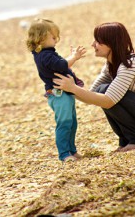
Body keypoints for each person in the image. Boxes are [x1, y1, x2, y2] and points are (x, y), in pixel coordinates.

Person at [53, 21, 135, 153]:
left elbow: (107, 101)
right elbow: (91, 95)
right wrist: (67, 86)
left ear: (111, 43)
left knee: (106, 93)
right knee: (101, 91)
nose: (93, 44)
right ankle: (127, 140)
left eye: (98, 40)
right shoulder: (113, 64)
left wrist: (73, 88)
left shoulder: (130, 64)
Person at [26, 18, 86, 162]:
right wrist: (74, 57)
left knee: (72, 122)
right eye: (53, 37)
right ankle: (64, 154)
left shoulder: (46, 53)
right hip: (59, 95)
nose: (56, 40)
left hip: (64, 92)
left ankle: (72, 150)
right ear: (41, 38)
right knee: (64, 123)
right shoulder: (45, 55)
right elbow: (62, 66)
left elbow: (58, 64)